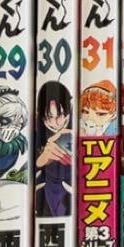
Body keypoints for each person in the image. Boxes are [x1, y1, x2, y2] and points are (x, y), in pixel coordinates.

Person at [35, 80, 73, 216]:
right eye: (49, 117)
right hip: (48, 190)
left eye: (60, 115)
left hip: (72, 188)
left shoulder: (74, 132)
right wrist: (42, 159)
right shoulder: (38, 135)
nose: (55, 123)